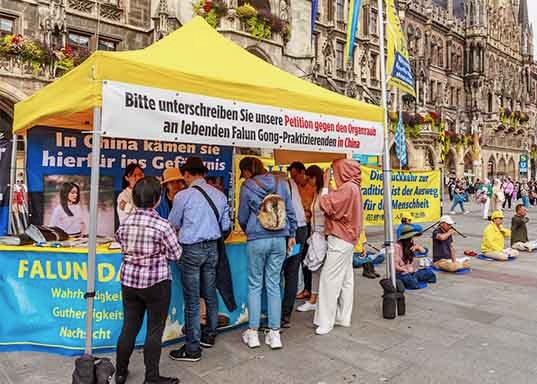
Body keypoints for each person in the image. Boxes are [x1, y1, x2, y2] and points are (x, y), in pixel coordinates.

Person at [115, 177, 181, 384]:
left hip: (129, 282)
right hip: (157, 283)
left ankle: (120, 373)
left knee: (129, 327)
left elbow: (120, 243)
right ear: (158, 199)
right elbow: (176, 253)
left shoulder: (125, 223)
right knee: (154, 330)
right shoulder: (163, 225)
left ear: (134, 199)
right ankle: (151, 378)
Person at [168, 157, 231, 362]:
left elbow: (173, 223)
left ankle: (193, 348)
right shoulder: (219, 195)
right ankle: (210, 335)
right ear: (203, 173)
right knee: (210, 292)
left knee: (193, 299)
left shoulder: (182, 196)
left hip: (191, 250)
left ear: (187, 174)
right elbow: (225, 227)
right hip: (213, 249)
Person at [238, 157, 296, 349]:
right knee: (273, 284)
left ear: (247, 170)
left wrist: (251, 230)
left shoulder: (247, 186)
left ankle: (253, 333)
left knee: (255, 285)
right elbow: (290, 211)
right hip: (279, 239)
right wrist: (291, 234)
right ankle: (274, 334)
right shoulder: (281, 182)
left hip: (257, 239)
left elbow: (242, 216)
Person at [314, 159, 362, 335]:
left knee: (329, 280)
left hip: (340, 238)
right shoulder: (353, 187)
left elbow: (326, 204)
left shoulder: (348, 188)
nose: (334, 174)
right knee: (346, 280)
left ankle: (325, 321)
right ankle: (343, 317)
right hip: (348, 239)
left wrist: (326, 185)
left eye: (336, 171)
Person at [281, 161, 311, 327]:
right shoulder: (291, 183)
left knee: (282, 270)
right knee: (292, 271)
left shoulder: (281, 184)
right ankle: (285, 314)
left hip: (291, 232)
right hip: (300, 230)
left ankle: (280, 312)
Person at [297, 165, 325, 311]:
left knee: (318, 268)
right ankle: (314, 298)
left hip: (321, 235)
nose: (309, 182)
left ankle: (317, 299)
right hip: (315, 235)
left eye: (310, 179)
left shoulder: (324, 193)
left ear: (315, 178)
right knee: (315, 268)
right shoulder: (317, 193)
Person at [395, 225, 436, 289]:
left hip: (412, 272)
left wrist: (419, 248)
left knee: (430, 274)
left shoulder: (411, 244)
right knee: (412, 282)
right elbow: (395, 266)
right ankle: (402, 281)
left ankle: (413, 279)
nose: (412, 239)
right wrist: (406, 270)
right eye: (411, 237)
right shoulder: (397, 247)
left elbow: (424, 252)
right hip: (401, 273)